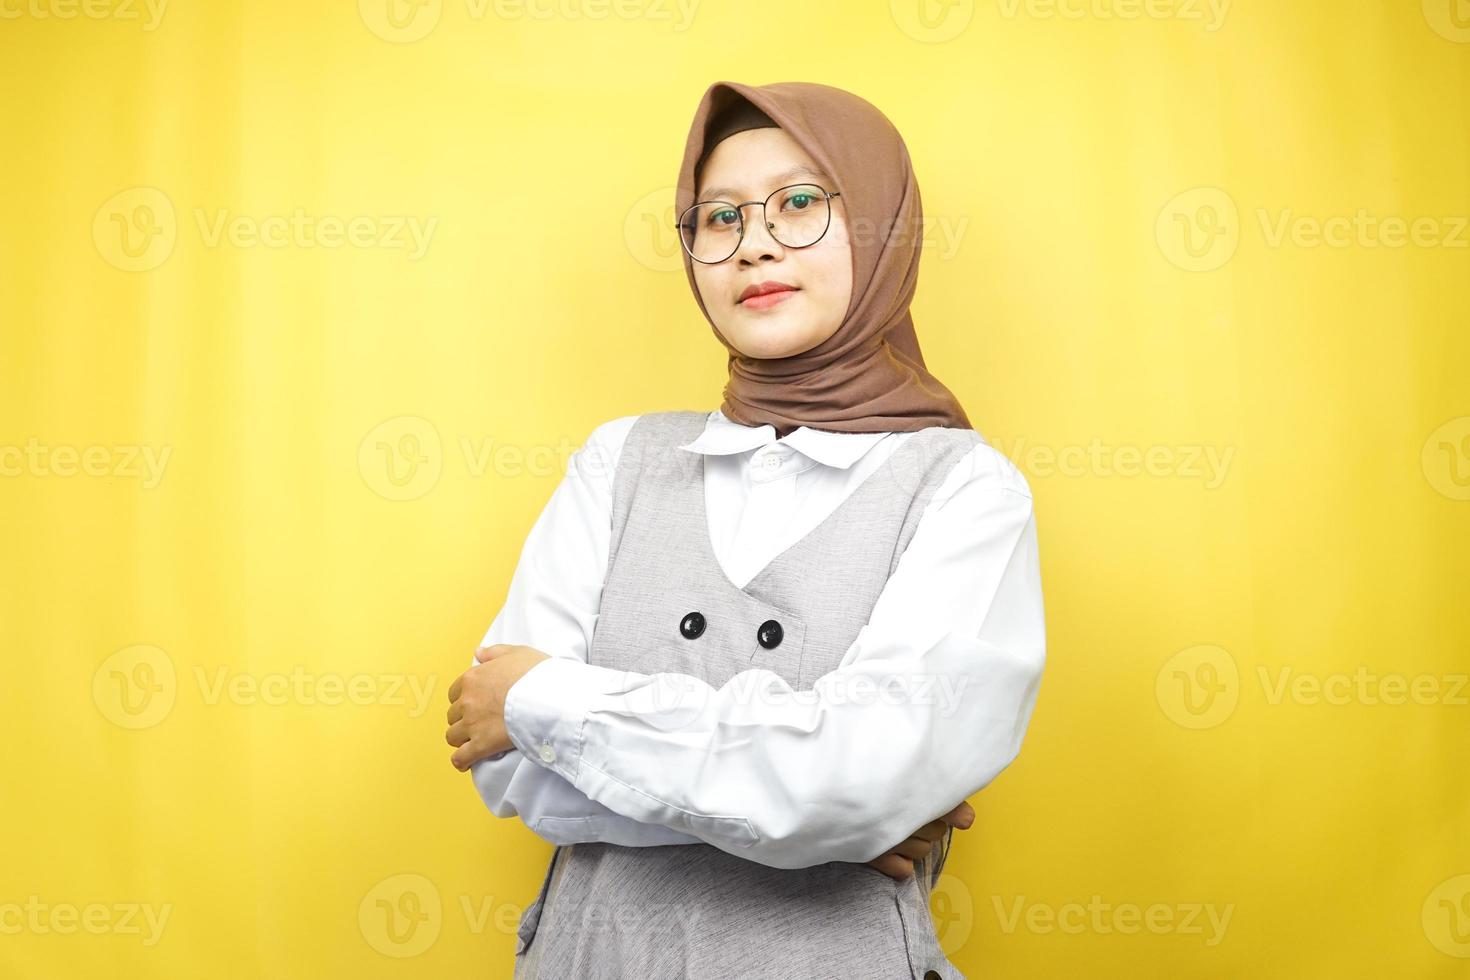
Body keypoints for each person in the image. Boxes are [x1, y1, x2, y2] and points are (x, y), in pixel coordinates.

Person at [444, 79, 1047, 979]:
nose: (755, 242)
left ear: (882, 226)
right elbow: (509, 773)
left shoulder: (964, 488)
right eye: (718, 218)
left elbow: (855, 780)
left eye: (801, 203)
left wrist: (548, 704)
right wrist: (823, 820)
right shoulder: (620, 462)